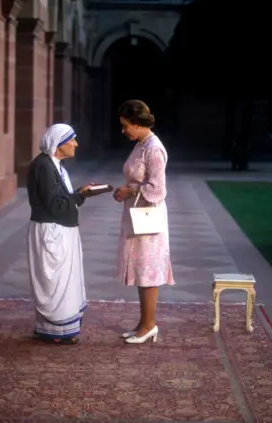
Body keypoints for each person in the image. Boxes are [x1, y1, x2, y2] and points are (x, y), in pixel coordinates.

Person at [113, 99, 175, 344]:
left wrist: (130, 191)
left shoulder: (153, 148)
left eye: (126, 125)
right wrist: (126, 191)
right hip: (137, 216)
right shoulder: (140, 144)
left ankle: (150, 325)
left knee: (148, 270)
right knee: (141, 268)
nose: (123, 130)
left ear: (138, 123)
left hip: (149, 219)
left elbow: (158, 189)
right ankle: (143, 322)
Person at [26, 123, 95, 344]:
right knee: (53, 282)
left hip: (61, 231)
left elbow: (61, 200)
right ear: (58, 144)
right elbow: (55, 206)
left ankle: (58, 330)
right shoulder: (44, 167)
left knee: (63, 281)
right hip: (52, 232)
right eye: (71, 140)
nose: (76, 144)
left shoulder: (54, 164)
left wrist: (80, 195)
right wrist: (79, 195)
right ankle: (53, 331)